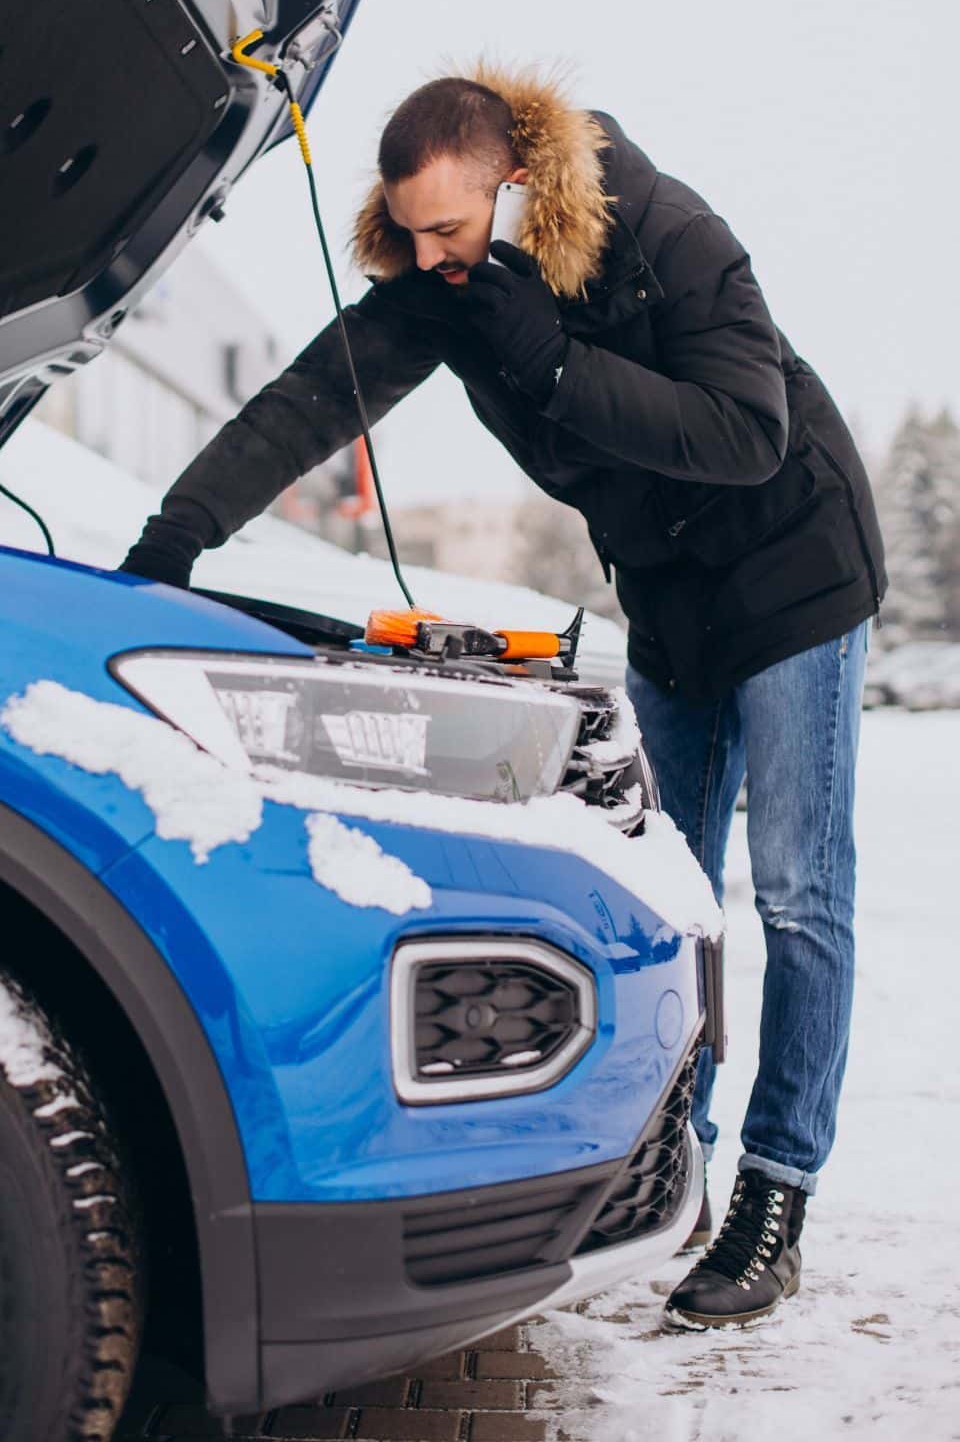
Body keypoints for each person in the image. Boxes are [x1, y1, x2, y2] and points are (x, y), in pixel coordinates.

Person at [121, 67, 885, 1329]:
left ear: (517, 191)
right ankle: (663, 1153)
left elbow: (747, 430)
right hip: (675, 597)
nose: (429, 258)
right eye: (410, 235)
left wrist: (557, 362)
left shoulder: (667, 235)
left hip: (795, 570)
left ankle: (777, 1187)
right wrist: (174, 538)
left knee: (800, 893)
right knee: (672, 887)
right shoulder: (451, 284)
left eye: (451, 231)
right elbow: (315, 397)